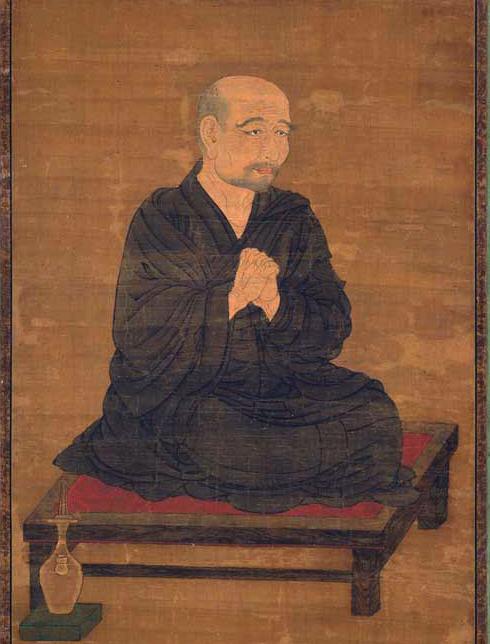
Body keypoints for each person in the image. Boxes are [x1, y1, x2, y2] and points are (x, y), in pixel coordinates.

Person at [54, 75, 418, 513]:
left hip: (281, 389)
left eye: (281, 133)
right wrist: (230, 299)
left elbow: (332, 325)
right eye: (255, 130)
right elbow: (139, 334)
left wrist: (274, 301)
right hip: (189, 397)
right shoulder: (164, 216)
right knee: (237, 445)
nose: (272, 150)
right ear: (211, 133)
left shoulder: (291, 215)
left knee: (375, 414)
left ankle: (281, 463)